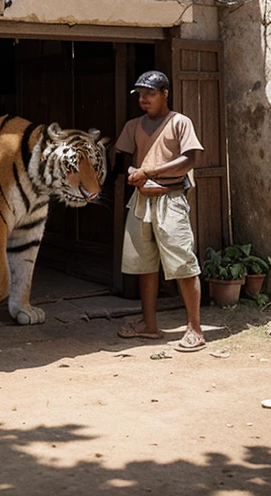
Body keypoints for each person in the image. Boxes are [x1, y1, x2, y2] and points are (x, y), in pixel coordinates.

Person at [114, 70, 206, 352]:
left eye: (150, 94)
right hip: (142, 201)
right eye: (140, 95)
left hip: (171, 198)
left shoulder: (179, 122)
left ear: (165, 94)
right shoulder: (133, 125)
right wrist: (132, 173)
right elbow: (121, 160)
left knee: (183, 264)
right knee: (145, 264)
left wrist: (150, 170)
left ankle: (195, 328)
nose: (144, 100)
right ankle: (150, 325)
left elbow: (189, 159)